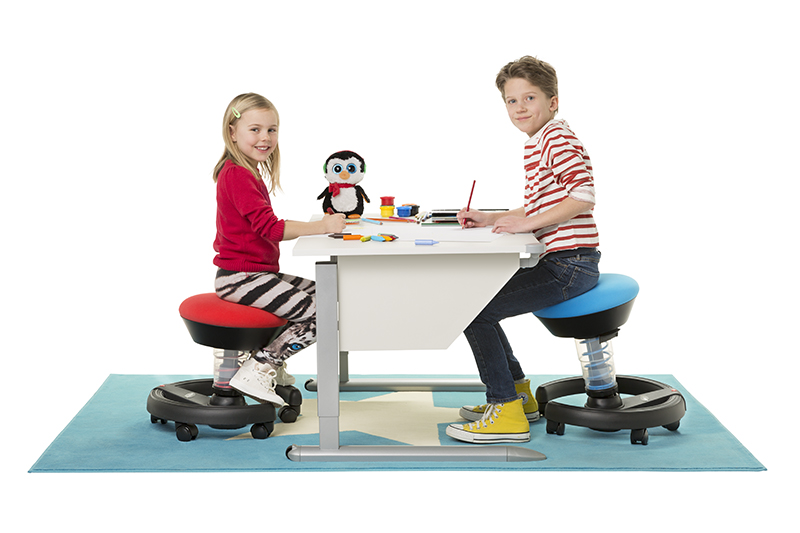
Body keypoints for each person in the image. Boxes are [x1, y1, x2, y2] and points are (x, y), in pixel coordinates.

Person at [446, 57, 601, 444]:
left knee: (473, 310)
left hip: (570, 266)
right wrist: (491, 218)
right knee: (476, 303)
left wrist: (526, 224)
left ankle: (506, 409)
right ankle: (517, 398)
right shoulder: (542, 139)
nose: (519, 108)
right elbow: (541, 205)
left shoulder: (556, 138)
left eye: (529, 98)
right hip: (564, 262)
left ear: (553, 101)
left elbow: (583, 196)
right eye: (511, 101)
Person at [212, 93, 345, 405]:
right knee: (325, 312)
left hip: (254, 275)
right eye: (255, 129)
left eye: (272, 130)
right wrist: (322, 226)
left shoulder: (246, 171)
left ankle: (265, 361)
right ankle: (261, 366)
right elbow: (270, 228)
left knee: (328, 294)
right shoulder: (238, 174)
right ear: (233, 132)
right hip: (241, 279)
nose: (265, 138)